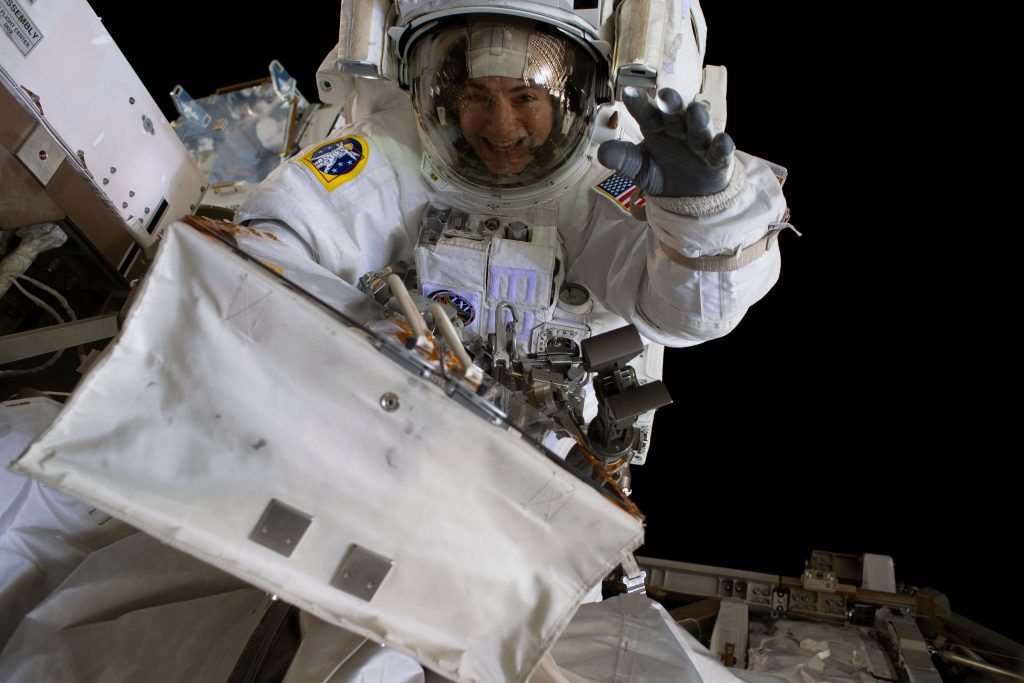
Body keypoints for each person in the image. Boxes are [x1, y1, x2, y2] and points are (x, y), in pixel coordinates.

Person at [0, 1, 792, 680]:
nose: (502, 127)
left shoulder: (600, 184)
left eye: (526, 95)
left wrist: (705, 215)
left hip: (522, 514)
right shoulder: (389, 156)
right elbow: (272, 242)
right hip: (359, 460)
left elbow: (683, 309)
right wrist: (383, 340)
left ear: (577, 94)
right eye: (476, 95)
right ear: (434, 88)